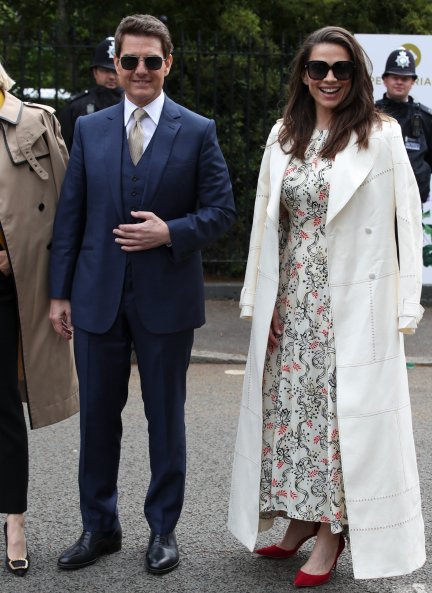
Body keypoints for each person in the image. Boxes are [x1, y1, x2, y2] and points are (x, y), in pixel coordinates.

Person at [228, 26, 425, 586]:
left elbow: (407, 221)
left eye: (341, 69)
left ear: (357, 75)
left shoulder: (380, 134)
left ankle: (332, 535)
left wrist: (404, 306)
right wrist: (258, 301)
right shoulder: (282, 135)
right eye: (319, 69)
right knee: (292, 414)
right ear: (304, 75)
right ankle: (298, 520)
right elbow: (266, 225)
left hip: (353, 302)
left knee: (339, 423)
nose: (330, 79)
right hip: (292, 298)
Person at [49, 13, 235, 575]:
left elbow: (222, 212)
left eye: (151, 60)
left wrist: (169, 232)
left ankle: (163, 530)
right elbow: (71, 215)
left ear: (168, 63)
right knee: (98, 419)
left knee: (165, 418)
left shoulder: (197, 129)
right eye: (129, 60)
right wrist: (60, 294)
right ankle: (99, 527)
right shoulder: (90, 128)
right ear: (117, 64)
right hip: (97, 295)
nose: (139, 70)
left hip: (167, 299)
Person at [0, 62, 78, 577]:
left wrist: (61, 290)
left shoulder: (33, 123)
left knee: (3, 404)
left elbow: (69, 208)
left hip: (10, 287)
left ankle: (15, 520)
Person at [376, 48, 432, 204]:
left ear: (413, 82)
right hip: (377, 202)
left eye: (405, 78)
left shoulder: (426, 118)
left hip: (413, 202)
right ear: (385, 80)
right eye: (395, 77)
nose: (399, 82)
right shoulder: (369, 115)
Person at [58, 36, 123, 150]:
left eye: (116, 71)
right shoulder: (76, 107)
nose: (112, 77)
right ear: (95, 72)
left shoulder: (136, 105)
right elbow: (63, 150)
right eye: (105, 70)